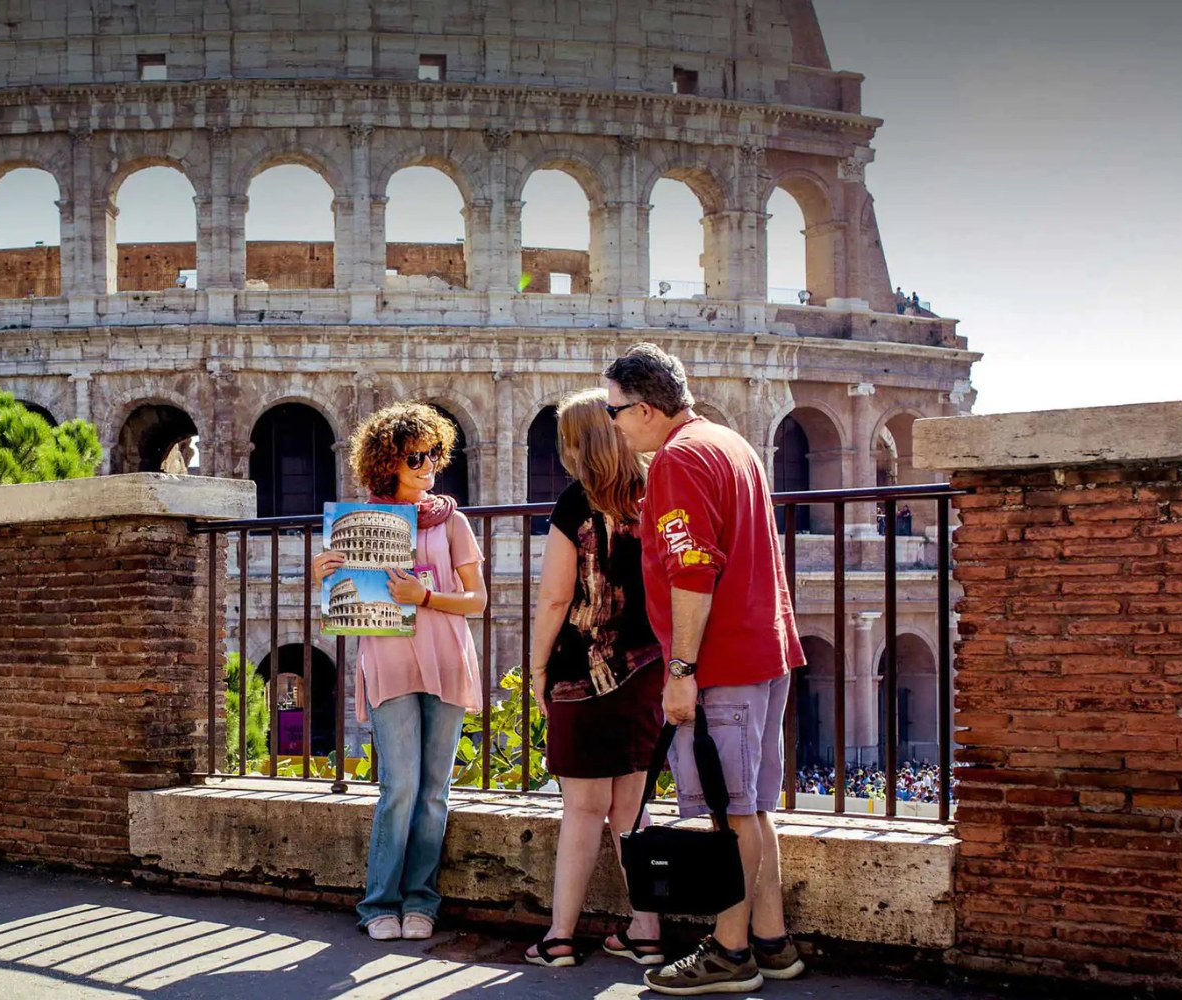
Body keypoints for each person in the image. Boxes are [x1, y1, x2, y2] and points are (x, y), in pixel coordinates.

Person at [604, 343, 809, 995]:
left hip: (722, 660)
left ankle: (729, 953)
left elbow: (692, 568)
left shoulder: (677, 459)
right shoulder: (730, 442)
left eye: (614, 412)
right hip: (765, 651)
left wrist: (682, 669)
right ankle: (772, 942)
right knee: (751, 808)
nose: (612, 424)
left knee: (731, 813)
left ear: (643, 408)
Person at [310, 402, 487, 943]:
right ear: (389, 463)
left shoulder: (452, 520)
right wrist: (322, 576)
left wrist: (425, 595)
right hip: (388, 662)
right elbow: (341, 607)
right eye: (416, 456)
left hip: (446, 662)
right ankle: (378, 902)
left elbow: (477, 601)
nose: (429, 464)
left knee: (435, 791)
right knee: (399, 787)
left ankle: (421, 900)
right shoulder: (359, 525)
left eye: (435, 453)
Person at [522, 388, 666, 969]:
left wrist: (535, 666)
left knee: (582, 809)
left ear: (578, 444)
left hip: (580, 675)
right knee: (632, 808)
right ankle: (648, 930)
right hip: (645, 670)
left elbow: (556, 597)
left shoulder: (575, 504)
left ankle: (559, 937)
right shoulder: (653, 496)